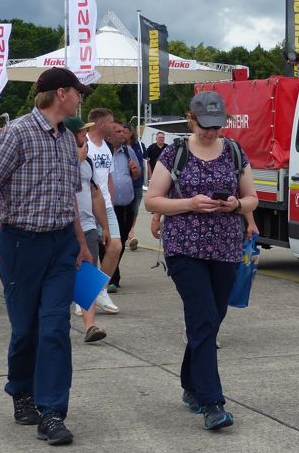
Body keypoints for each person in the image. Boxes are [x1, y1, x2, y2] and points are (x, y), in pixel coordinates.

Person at [0, 67, 94, 446]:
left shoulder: (67, 140)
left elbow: (70, 197)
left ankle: (52, 411)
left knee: (55, 327)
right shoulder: (19, 132)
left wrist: (80, 242)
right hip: (20, 245)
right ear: (61, 93)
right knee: (26, 329)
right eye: (78, 92)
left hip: (60, 245)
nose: (81, 98)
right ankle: (21, 391)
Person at [144, 91, 258, 431]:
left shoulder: (235, 151)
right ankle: (212, 402)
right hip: (184, 249)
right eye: (205, 126)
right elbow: (152, 201)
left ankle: (190, 384)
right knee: (204, 316)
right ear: (191, 120)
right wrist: (190, 204)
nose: (211, 132)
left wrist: (236, 206)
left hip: (224, 249)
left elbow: (252, 197)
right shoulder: (174, 153)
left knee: (212, 318)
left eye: (217, 126)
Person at [65, 116, 111, 343]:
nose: (85, 136)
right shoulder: (62, 159)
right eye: (82, 133)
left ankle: (90, 325)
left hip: (88, 225)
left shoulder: (88, 162)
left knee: (87, 275)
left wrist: (104, 225)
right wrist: (75, 161)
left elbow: (95, 194)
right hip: (63, 227)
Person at [86, 108, 123, 305]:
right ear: (100, 124)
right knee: (88, 253)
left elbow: (109, 177)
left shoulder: (105, 146)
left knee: (115, 246)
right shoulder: (84, 144)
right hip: (87, 206)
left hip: (106, 205)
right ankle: (85, 300)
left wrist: (110, 202)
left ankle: (97, 290)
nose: (113, 126)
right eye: (110, 123)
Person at [110, 123, 142, 290]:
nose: (122, 134)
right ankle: (112, 276)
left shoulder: (128, 152)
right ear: (110, 134)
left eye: (123, 131)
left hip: (126, 205)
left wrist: (135, 170)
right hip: (109, 206)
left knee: (121, 241)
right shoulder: (103, 152)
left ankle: (112, 271)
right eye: (118, 132)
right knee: (109, 242)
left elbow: (137, 174)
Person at [125, 124, 146, 251]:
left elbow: (144, 164)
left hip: (137, 184)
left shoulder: (140, 146)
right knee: (125, 210)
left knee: (135, 210)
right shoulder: (118, 147)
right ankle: (130, 234)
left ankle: (130, 231)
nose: (123, 134)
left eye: (125, 132)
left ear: (131, 133)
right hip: (125, 185)